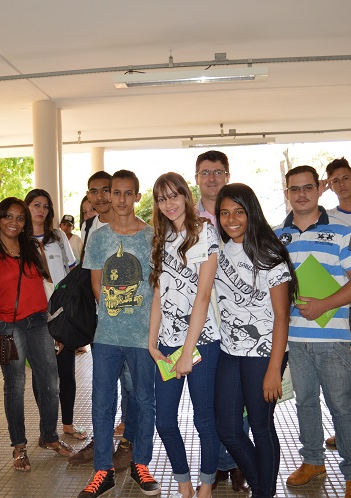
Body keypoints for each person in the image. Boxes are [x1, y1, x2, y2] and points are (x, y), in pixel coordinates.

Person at [274, 165, 351, 498]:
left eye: (308, 187)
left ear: (318, 189)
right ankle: (313, 461)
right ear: (287, 193)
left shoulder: (342, 232)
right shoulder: (276, 236)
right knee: (306, 404)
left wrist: (325, 304)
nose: (301, 194)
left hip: (334, 339)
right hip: (295, 340)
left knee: (342, 406)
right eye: (294, 189)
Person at [0, 197, 74, 472]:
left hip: (39, 321)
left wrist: (57, 325)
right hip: (6, 325)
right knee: (14, 387)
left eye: (20, 218)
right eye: (8, 216)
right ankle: (19, 445)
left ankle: (49, 438)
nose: (14, 222)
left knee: (50, 384)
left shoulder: (33, 247)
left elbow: (47, 287)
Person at [79, 170, 159, 498]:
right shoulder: (99, 238)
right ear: (109, 196)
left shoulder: (153, 237)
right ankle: (103, 470)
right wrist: (118, 309)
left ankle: (141, 464)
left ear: (138, 197)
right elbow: (97, 287)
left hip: (142, 336)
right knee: (102, 402)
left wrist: (145, 325)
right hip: (107, 335)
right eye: (117, 193)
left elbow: (157, 286)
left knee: (143, 400)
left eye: (129, 193)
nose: (122, 199)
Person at [212, 183, 294, 498]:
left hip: (264, 354)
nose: (231, 219)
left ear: (251, 213)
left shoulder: (270, 252)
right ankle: (262, 486)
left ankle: (264, 493)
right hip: (229, 352)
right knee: (229, 430)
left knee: (261, 427)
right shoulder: (217, 252)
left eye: (239, 212)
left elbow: (282, 315)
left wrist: (275, 368)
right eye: (224, 212)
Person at [148, 173, 221, 498]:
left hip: (202, 342)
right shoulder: (160, 238)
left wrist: (188, 352)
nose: (169, 203)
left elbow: (203, 296)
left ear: (186, 196)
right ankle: (184, 483)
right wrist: (152, 343)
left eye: (174, 195)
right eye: (162, 199)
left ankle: (206, 485)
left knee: (205, 418)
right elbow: (157, 295)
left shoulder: (204, 232)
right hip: (167, 342)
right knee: (164, 420)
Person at [194, 150, 249, 493]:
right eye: (205, 172)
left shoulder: (240, 215)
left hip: (239, 322)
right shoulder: (186, 219)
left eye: (218, 172)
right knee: (207, 400)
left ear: (227, 175)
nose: (212, 178)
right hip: (202, 322)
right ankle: (215, 464)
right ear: (196, 177)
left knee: (237, 396)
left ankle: (239, 461)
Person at [24, 189, 87, 441]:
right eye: (36, 205)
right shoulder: (19, 239)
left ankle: (68, 424)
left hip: (62, 313)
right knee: (42, 374)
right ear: (27, 208)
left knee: (66, 371)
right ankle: (47, 426)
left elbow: (72, 271)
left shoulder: (59, 237)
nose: (41, 210)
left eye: (46, 206)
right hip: (34, 314)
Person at [322, 157, 351, 448]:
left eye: (345, 178)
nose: (341, 184)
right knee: (345, 366)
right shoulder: (327, 216)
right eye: (334, 180)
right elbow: (291, 224)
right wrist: (319, 188)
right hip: (344, 298)